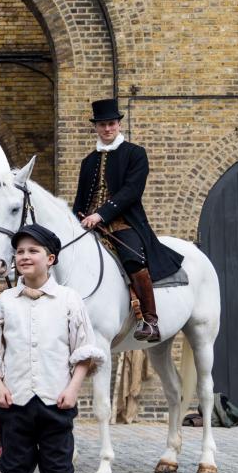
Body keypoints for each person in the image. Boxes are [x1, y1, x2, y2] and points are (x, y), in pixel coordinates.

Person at [0, 223, 106, 473]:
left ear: (51, 258)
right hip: (14, 405)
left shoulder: (69, 299)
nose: (24, 256)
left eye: (33, 250)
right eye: (20, 251)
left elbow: (85, 351)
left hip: (56, 403)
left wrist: (73, 389)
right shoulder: (6, 301)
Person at [72, 98, 184, 342]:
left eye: (111, 124)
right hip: (90, 225)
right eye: (102, 125)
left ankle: (150, 320)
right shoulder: (88, 161)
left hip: (124, 222)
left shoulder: (135, 154)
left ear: (118, 125)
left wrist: (100, 214)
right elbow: (80, 199)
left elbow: (131, 192)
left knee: (133, 258)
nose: (107, 129)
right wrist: (78, 217)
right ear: (96, 127)